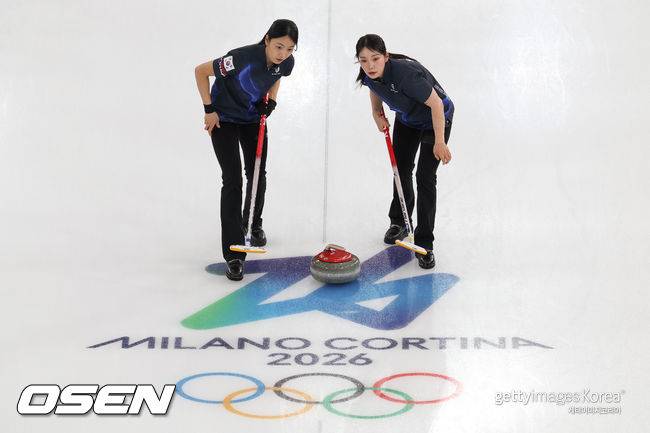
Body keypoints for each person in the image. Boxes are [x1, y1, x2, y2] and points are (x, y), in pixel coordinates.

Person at [194, 19, 297, 280]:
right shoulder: (240, 59)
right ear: (267, 40)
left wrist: (272, 102)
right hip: (223, 118)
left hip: (252, 119)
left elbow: (277, 76)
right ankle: (234, 254)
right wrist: (209, 110)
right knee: (233, 180)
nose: (283, 54)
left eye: (289, 49)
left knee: (257, 173)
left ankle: (252, 224)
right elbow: (200, 71)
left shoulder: (286, 62)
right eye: (278, 46)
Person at [355, 34, 454, 269]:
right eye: (363, 60)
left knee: (425, 176)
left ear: (386, 56)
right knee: (400, 169)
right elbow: (373, 88)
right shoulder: (368, 74)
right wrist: (376, 113)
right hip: (408, 119)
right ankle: (399, 222)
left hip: (435, 120)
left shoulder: (406, 75)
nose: (370, 65)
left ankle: (425, 243)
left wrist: (440, 142)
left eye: (375, 59)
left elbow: (436, 104)